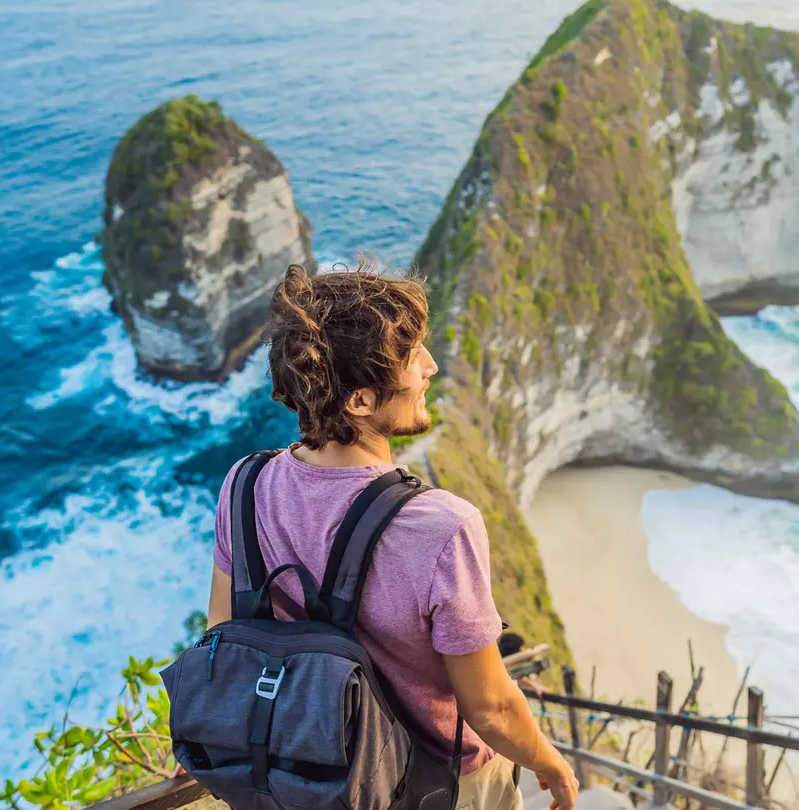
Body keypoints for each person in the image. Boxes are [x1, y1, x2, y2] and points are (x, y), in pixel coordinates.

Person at [204, 263, 578, 810]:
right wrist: (552, 764)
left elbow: (223, 633)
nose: (430, 366)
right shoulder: (441, 525)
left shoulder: (244, 484)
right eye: (411, 357)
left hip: (305, 769)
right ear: (357, 400)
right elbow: (491, 708)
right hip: (433, 784)